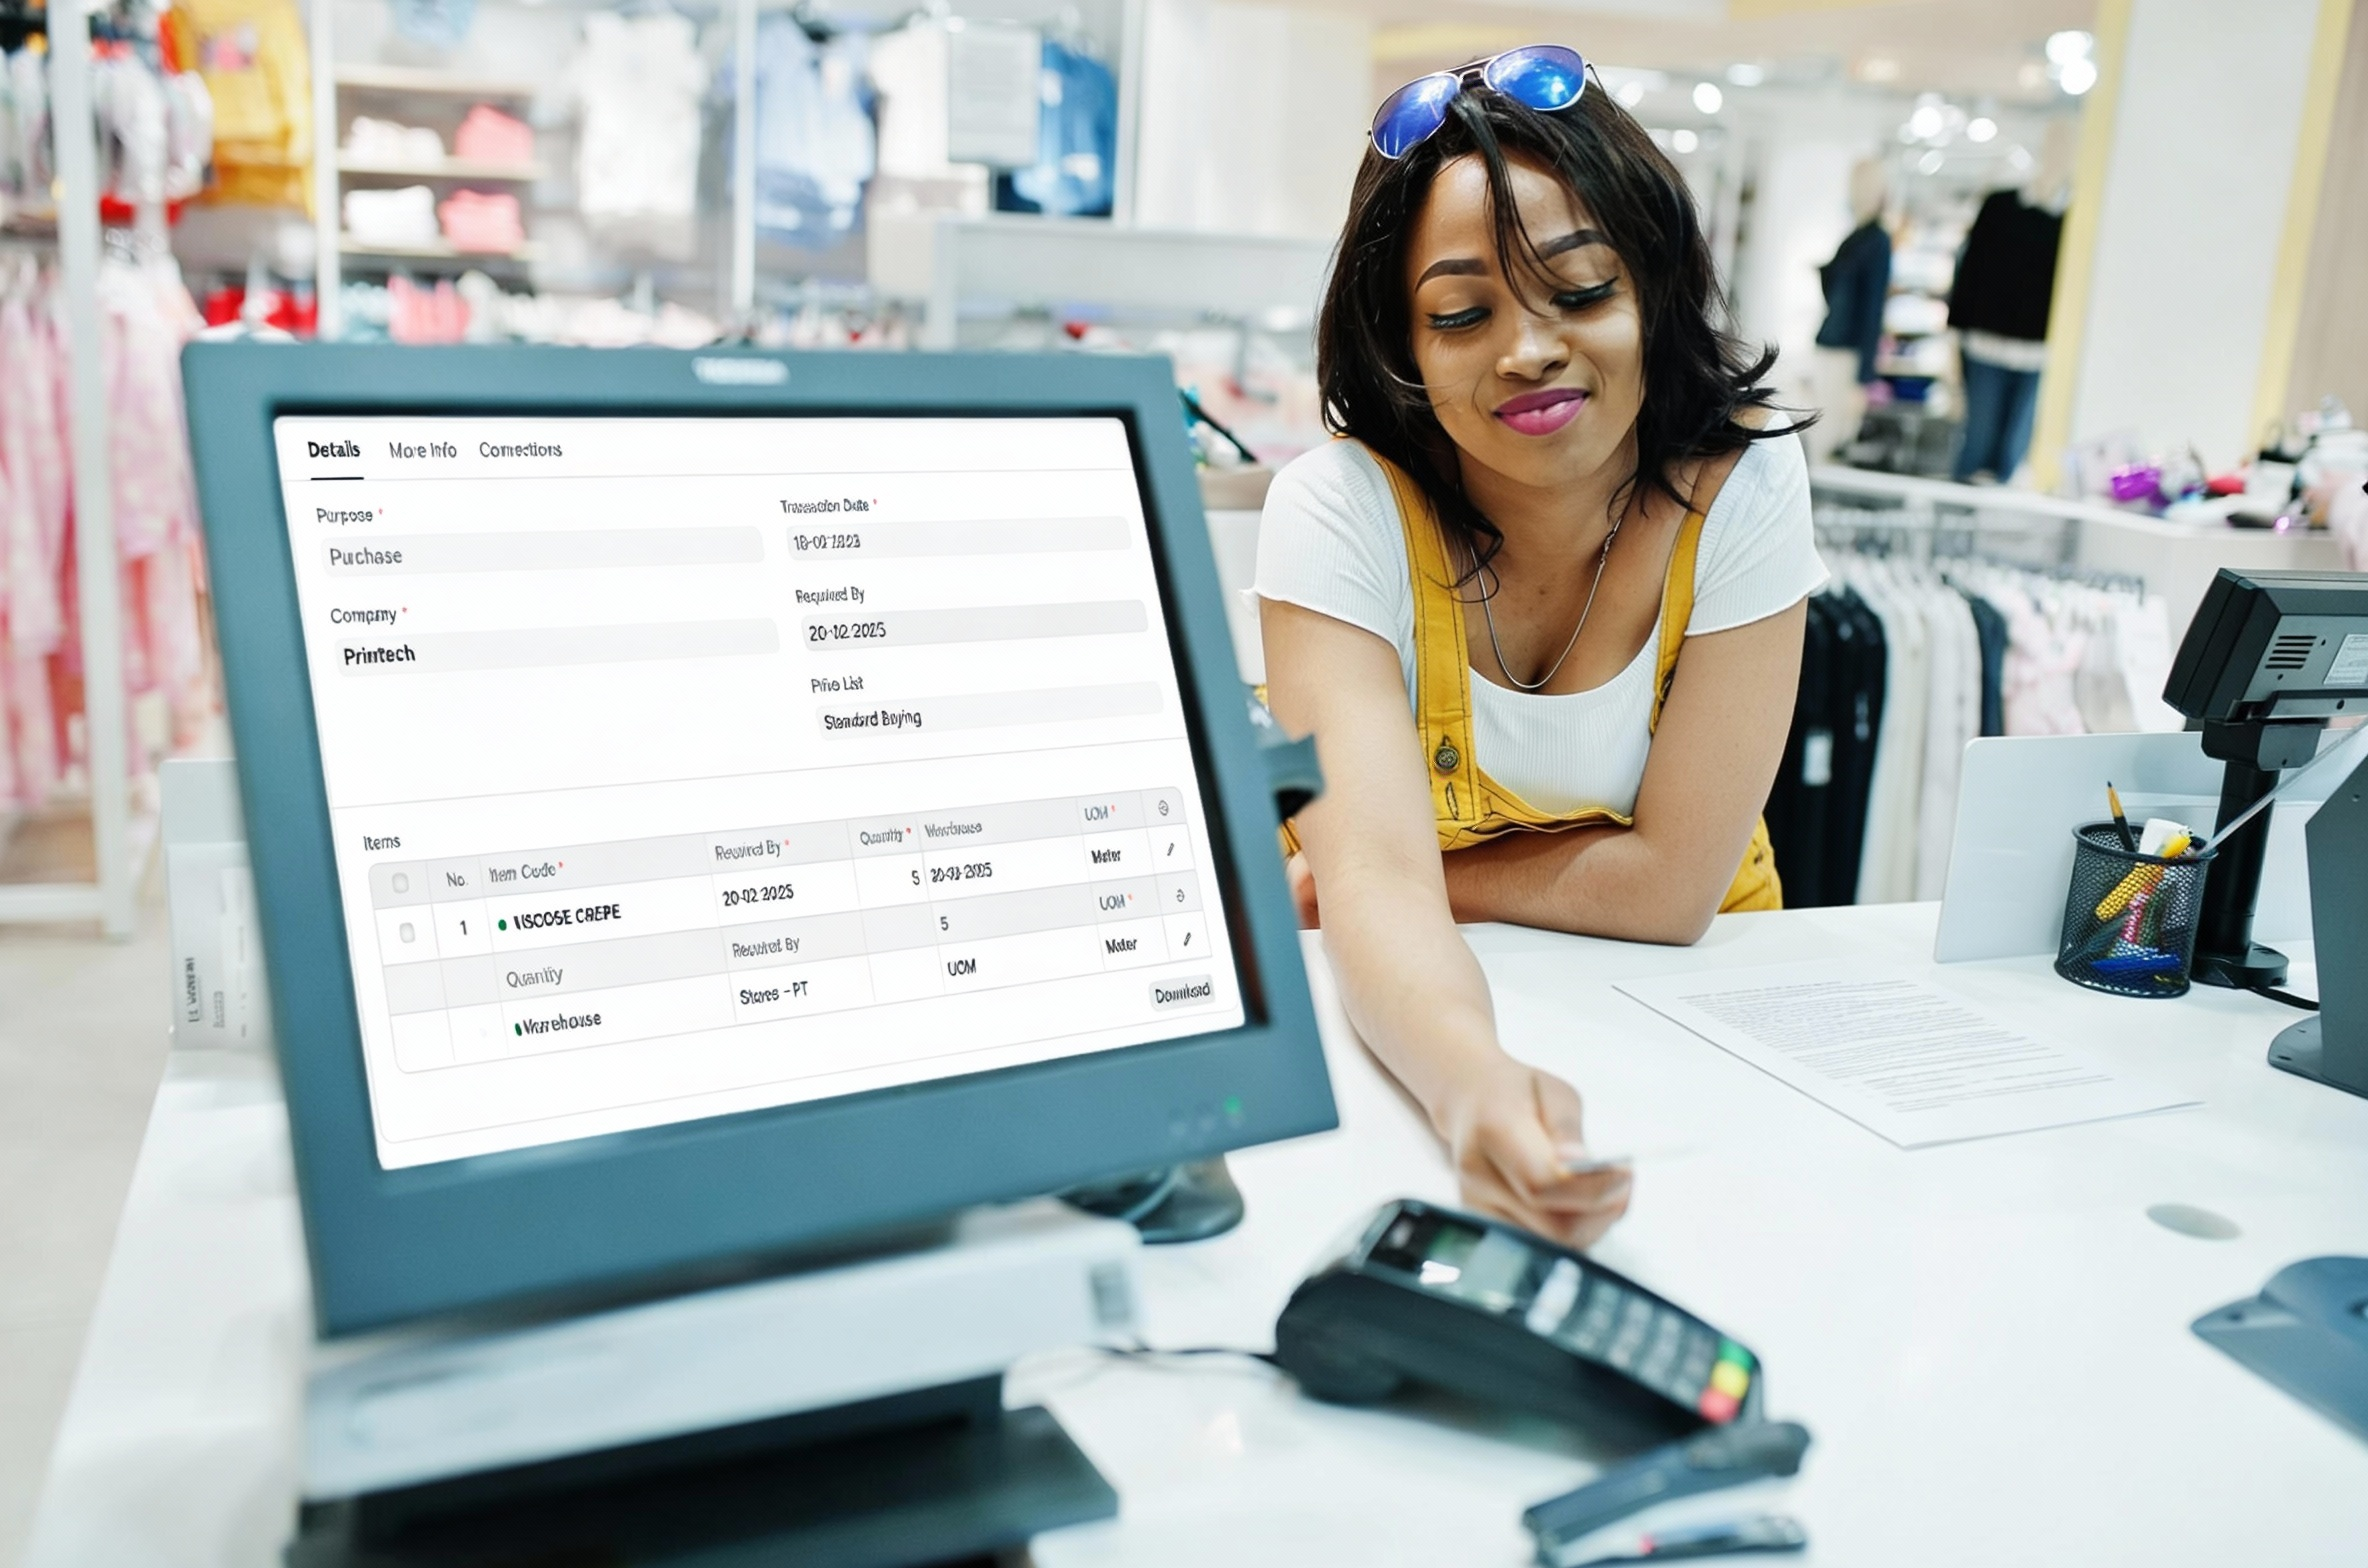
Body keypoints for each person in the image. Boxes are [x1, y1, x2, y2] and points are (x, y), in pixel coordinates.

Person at [1255, 47, 1823, 1246]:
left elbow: (1671, 889)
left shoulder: (1745, 484)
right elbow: (1375, 889)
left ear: (1652, 292)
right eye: (1463, 313)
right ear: (1402, 344)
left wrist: (1403, 877)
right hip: (1407, 1011)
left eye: (1579, 290)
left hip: (1708, 1016)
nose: (1528, 349)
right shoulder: (1336, 514)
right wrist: (1473, 1085)